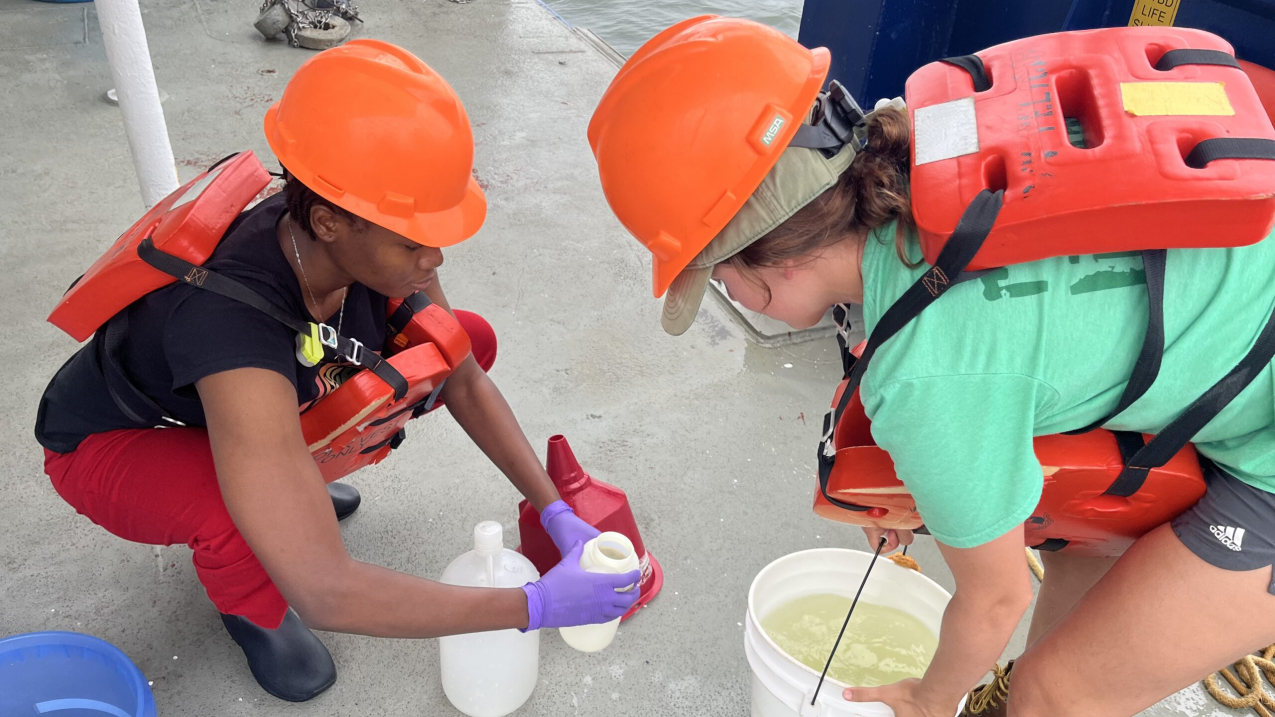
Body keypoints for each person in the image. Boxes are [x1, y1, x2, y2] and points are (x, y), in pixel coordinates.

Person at [587, 16, 1275, 717]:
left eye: (715, 276)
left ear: (773, 258)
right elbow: (1008, 347)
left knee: (1053, 693)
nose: (726, 294)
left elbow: (997, 598)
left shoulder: (925, 377)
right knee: (1072, 542)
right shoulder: (927, 139)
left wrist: (929, 695)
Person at [35, 39, 639, 702]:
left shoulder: (356, 243)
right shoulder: (229, 325)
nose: (433, 257)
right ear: (328, 221)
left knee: (455, 340)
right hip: (108, 446)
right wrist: (534, 606)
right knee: (237, 509)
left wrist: (554, 507)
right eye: (413, 240)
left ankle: (286, 492)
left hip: (234, 409)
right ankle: (250, 609)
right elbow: (325, 588)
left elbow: (461, 372)